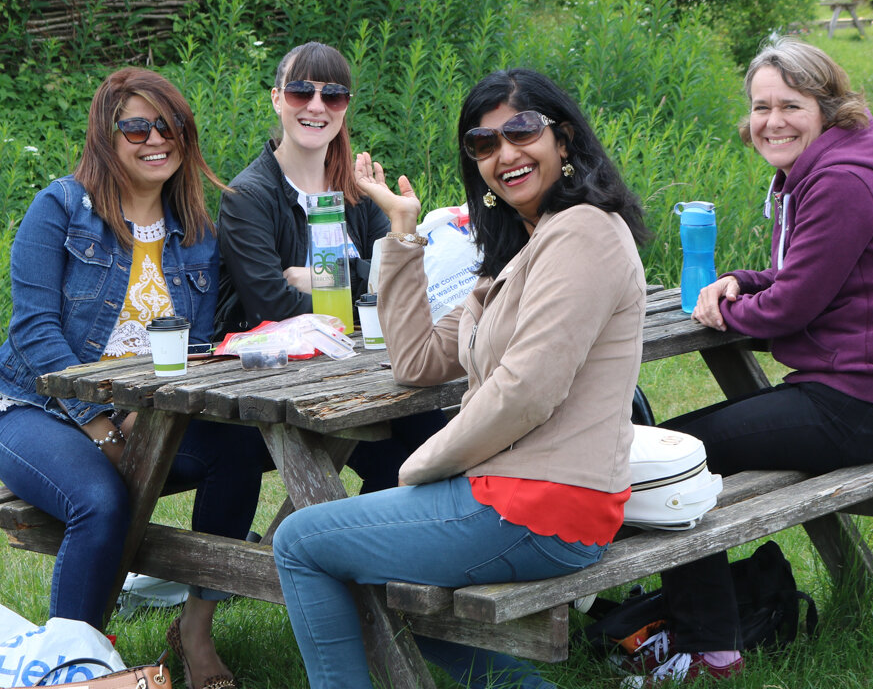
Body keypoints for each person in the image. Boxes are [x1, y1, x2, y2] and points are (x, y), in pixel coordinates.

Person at [271, 68, 650, 689]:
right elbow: (417, 360)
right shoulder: (517, 253)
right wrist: (401, 228)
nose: (505, 154)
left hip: (542, 501)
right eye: (484, 144)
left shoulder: (583, 231)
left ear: (564, 140)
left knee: (299, 541)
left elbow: (528, 388)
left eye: (521, 131)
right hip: (517, 495)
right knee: (374, 573)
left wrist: (421, 467)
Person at [623, 37, 873, 686]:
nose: (772, 121)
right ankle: (693, 626)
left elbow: (793, 307)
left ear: (828, 109)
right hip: (852, 394)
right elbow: (805, 275)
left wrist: (725, 312)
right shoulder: (822, 172)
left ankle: (710, 648)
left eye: (790, 105)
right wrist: (741, 280)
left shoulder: (841, 181)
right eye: (761, 107)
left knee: (680, 453)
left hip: (861, 405)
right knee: (684, 445)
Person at [0, 68, 240, 689]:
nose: (156, 139)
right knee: (100, 501)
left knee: (237, 450)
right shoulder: (62, 208)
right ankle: (72, 673)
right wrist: (101, 424)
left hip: (144, 415)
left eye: (168, 125)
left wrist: (143, 418)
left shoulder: (197, 232)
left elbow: (194, 346)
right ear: (106, 135)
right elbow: (35, 331)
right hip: (33, 410)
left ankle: (195, 630)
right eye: (136, 126)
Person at [207, 41, 446, 507]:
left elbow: (403, 288)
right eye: (301, 91)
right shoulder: (247, 198)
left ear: (344, 109)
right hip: (278, 389)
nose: (316, 106)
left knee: (437, 450)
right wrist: (364, 287)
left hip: (365, 374)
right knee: (414, 462)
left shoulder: (355, 193)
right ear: (277, 99)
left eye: (332, 95)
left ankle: (387, 562)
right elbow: (273, 308)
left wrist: (315, 277)